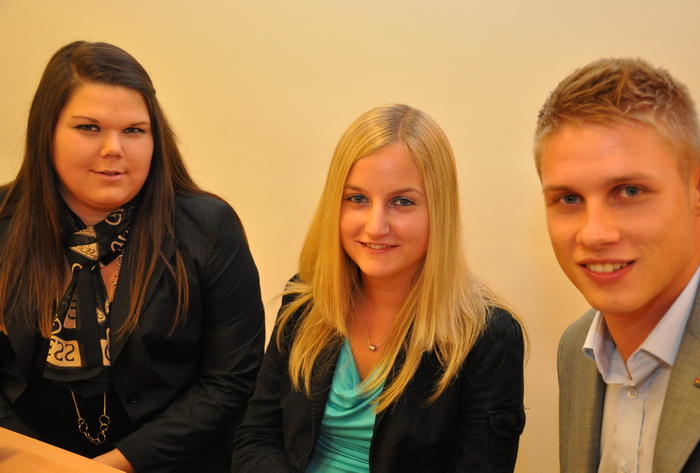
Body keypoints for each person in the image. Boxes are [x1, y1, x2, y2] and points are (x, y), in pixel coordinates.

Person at [0, 41, 265, 472]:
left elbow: (231, 382)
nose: (113, 148)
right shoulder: (4, 222)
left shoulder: (209, 227)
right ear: (46, 131)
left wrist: (111, 466)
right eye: (89, 127)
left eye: (134, 130)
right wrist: (41, 464)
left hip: (170, 463)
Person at [232, 104, 526, 472]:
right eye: (357, 199)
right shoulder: (305, 300)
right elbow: (257, 437)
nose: (375, 226)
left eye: (402, 202)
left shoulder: (488, 337)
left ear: (440, 211)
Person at [535, 58, 700, 472]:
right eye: (569, 199)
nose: (594, 234)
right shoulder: (576, 351)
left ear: (696, 190)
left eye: (629, 191)